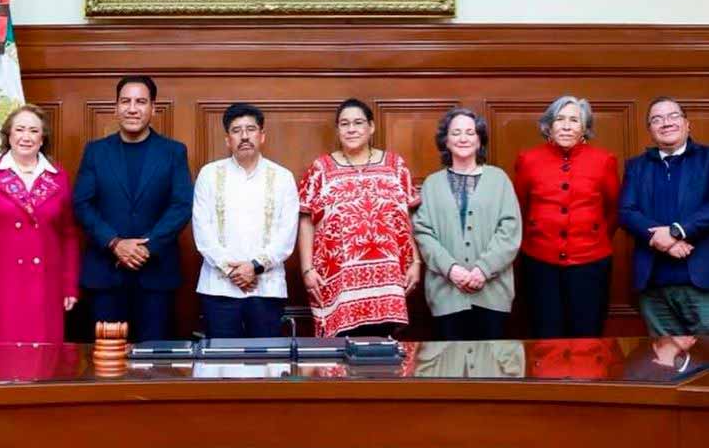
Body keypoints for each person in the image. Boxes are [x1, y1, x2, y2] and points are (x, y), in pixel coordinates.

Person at [73, 76, 193, 341]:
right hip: (105, 275)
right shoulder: (96, 151)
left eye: (140, 101)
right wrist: (114, 243)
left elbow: (181, 205)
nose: (132, 108)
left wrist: (145, 248)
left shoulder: (173, 152)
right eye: (125, 101)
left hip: (156, 276)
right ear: (116, 107)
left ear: (153, 108)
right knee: (106, 357)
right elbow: (82, 203)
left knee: (154, 360)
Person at [297, 98, 420, 336]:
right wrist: (307, 269)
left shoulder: (395, 165)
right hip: (338, 279)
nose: (351, 129)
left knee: (383, 350)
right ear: (337, 130)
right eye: (344, 124)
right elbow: (306, 221)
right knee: (343, 351)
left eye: (358, 123)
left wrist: (415, 262)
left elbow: (406, 220)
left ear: (371, 127)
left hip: (388, 280)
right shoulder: (320, 168)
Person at [0, 104, 79, 343]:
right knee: (2, 350)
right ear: (9, 135)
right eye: (20, 129)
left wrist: (70, 286)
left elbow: (69, 235)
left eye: (34, 131)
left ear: (43, 138)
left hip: (46, 283)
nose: (26, 136)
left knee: (43, 352)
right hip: (1, 283)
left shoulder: (59, 177)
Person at [513, 96, 620, 338]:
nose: (566, 126)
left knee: (587, 335)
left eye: (574, 120)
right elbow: (520, 208)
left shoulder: (604, 160)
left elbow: (613, 210)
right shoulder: (528, 160)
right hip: (540, 261)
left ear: (584, 127)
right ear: (549, 125)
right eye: (559, 119)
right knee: (545, 334)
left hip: (590, 262)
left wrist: (593, 237)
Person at [413, 107, 522, 341]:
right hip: (446, 294)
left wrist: (483, 270)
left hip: (493, 294)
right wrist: (451, 269)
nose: (463, 138)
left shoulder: (499, 179)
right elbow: (423, 233)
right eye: (456, 133)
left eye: (470, 133)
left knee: (492, 360)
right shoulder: (432, 184)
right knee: (448, 360)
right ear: (446, 140)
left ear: (479, 139)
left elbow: (510, 230)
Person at [191, 103, 299, 338]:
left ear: (262, 136)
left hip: (267, 288)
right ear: (227, 140)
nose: (244, 136)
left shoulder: (282, 177)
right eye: (236, 130)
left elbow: (287, 234)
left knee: (267, 357)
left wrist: (255, 266)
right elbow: (202, 230)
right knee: (221, 358)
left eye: (251, 129)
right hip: (219, 288)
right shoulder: (209, 175)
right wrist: (231, 270)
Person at [619, 97, 709, 335]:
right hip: (653, 285)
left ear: (687, 124)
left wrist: (676, 231)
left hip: (703, 283)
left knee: (707, 355)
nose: (666, 123)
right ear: (650, 130)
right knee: (664, 356)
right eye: (657, 119)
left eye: (673, 116)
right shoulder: (636, 166)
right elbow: (627, 212)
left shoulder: (708, 159)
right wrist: (664, 241)